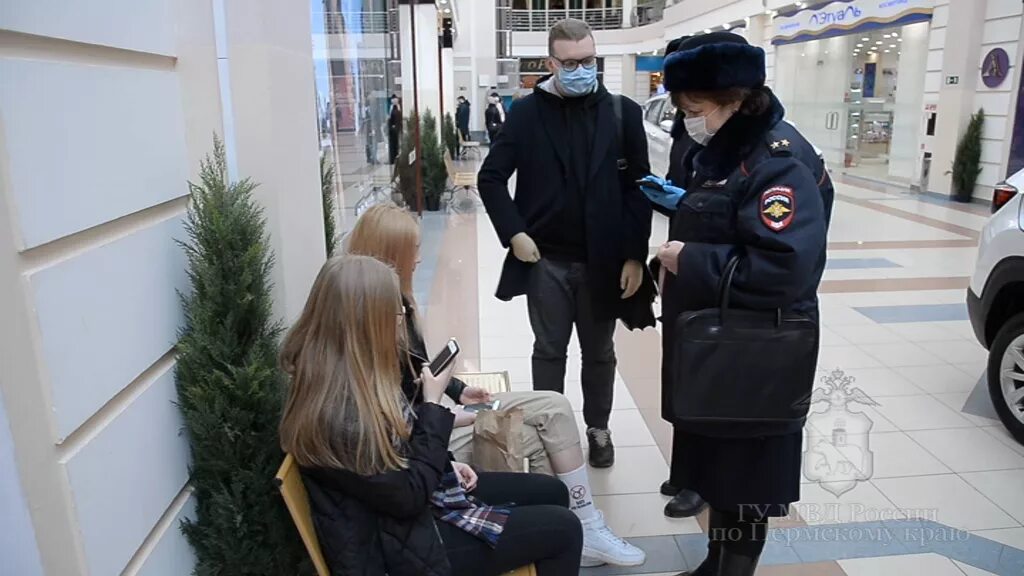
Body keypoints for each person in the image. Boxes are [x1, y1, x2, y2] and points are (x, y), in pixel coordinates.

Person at [346, 203, 647, 568]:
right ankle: (573, 531)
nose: (421, 260)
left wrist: (456, 390)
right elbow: (396, 421)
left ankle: (578, 527)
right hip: (425, 434)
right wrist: (442, 410)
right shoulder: (373, 321)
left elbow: (410, 372)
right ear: (391, 257)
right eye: (414, 251)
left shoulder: (393, 305)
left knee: (552, 404)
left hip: (428, 424)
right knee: (544, 430)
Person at [648, 33, 831, 576]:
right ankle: (715, 561)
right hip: (721, 342)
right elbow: (732, 218)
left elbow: (783, 268)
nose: (687, 121)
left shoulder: (779, 161)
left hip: (758, 349)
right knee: (719, 469)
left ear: (735, 98)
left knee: (747, 477)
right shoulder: (728, 149)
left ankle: (735, 569)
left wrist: (691, 259)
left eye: (695, 109)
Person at [280, 255, 585, 576]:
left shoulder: (343, 378)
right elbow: (408, 496)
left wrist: (444, 462)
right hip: (395, 552)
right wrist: (433, 403)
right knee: (564, 530)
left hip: (400, 523)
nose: (401, 323)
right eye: (396, 315)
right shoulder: (337, 415)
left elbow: (389, 470)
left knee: (552, 491)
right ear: (366, 325)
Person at [477, 18, 652, 469]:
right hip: (546, 261)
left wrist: (635, 254)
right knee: (548, 352)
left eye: (588, 61)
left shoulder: (622, 113)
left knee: (599, 352)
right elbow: (491, 178)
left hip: (603, 261)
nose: (580, 69)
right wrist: (514, 232)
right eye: (570, 62)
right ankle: (549, 430)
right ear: (551, 62)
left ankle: (598, 427)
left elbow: (638, 188)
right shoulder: (526, 114)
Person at [387, 94, 402, 164]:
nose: (394, 101)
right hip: (392, 129)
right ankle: (392, 158)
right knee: (392, 143)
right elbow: (389, 117)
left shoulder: (399, 107)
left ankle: (397, 157)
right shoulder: (391, 107)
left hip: (398, 128)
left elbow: (400, 117)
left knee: (398, 143)